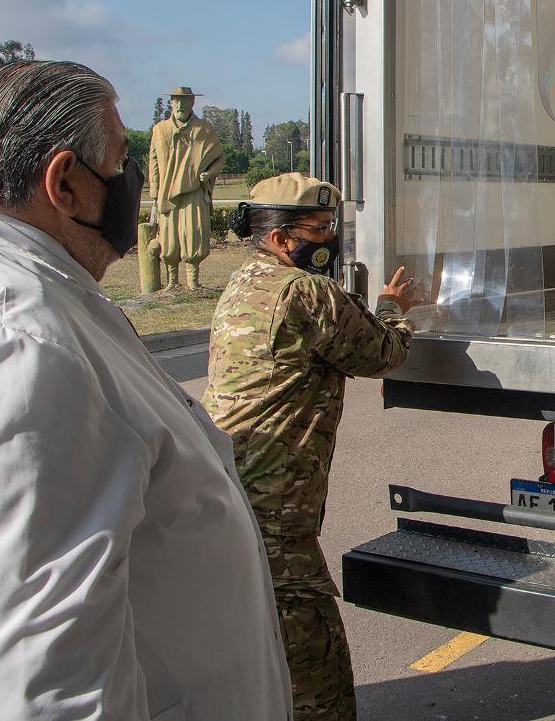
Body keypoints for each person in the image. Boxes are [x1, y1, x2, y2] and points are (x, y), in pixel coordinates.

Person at [0, 61, 292, 720]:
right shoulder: (15, 344)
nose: (132, 183)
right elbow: (45, 679)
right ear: (64, 183)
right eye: (118, 164)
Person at [204, 173, 416, 720]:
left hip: (230, 493)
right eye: (319, 229)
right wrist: (392, 306)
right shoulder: (304, 291)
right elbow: (382, 352)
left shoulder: (244, 282)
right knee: (316, 672)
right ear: (280, 238)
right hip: (276, 516)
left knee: (257, 655)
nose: (330, 240)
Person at [147, 85, 224, 289]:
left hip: (194, 191)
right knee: (169, 238)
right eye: (176, 101)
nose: (180, 105)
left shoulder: (204, 129)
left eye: (184, 101)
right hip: (167, 193)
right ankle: (172, 282)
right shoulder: (160, 130)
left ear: (192, 103)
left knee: (193, 234)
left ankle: (193, 282)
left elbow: (219, 158)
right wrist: (154, 191)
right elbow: (153, 162)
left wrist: (209, 173)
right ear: (171, 103)